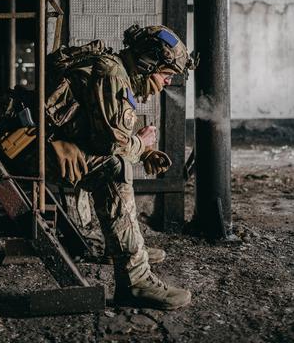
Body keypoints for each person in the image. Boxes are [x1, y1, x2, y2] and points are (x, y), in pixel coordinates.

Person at [45, 24, 194, 310]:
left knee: (108, 161)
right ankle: (135, 280)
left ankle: (118, 247)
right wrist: (140, 145)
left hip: (48, 147)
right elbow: (110, 144)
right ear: (147, 63)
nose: (166, 83)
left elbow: (102, 134)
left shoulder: (116, 72)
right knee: (114, 168)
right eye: (166, 75)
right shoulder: (112, 74)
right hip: (35, 154)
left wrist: (142, 150)